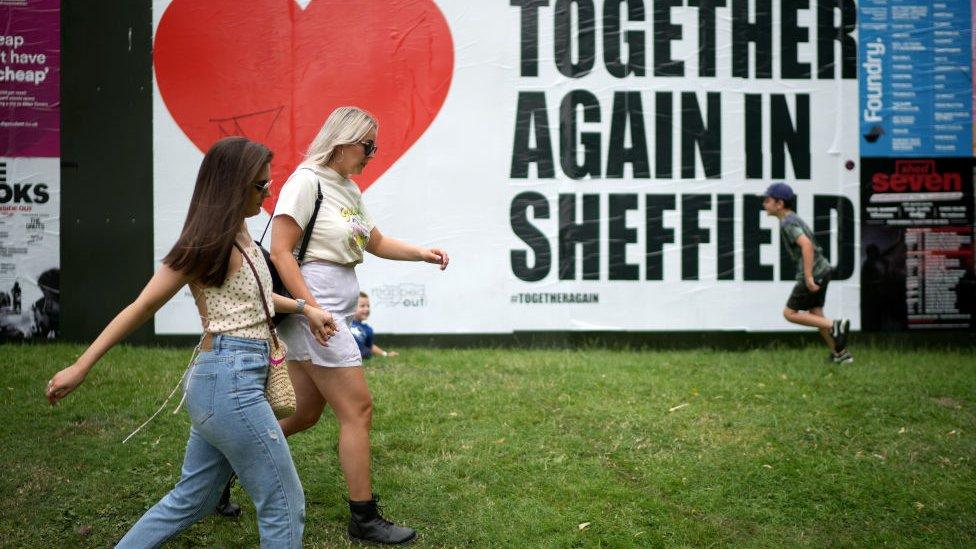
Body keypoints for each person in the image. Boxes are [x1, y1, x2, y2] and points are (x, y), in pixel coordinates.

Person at [45, 136, 338, 548]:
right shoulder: (202, 244)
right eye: (260, 186)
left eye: (268, 184)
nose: (267, 193)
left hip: (228, 384)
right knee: (284, 502)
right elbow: (142, 306)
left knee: (192, 500)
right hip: (229, 383)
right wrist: (81, 366)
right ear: (231, 186)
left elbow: (252, 296)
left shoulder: (240, 233)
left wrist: (305, 309)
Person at [270, 106, 448, 544]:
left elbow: (376, 242)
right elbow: (280, 251)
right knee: (358, 409)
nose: (373, 153)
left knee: (304, 413)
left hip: (326, 315)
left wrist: (422, 253)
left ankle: (223, 467)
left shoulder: (347, 188)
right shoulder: (306, 181)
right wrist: (310, 309)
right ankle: (363, 517)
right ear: (343, 140)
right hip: (318, 315)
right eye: (368, 145)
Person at [762, 182, 852, 363]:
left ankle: (835, 325)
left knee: (790, 313)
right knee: (816, 312)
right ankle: (840, 355)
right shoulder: (791, 218)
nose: (764, 203)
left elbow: (807, 245)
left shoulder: (787, 223)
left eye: (767, 200)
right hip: (824, 269)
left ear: (779, 204)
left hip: (815, 272)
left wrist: (809, 276)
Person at [351, 291, 398, 360]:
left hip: (359, 355)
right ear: (350, 307)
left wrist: (385, 354)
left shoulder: (368, 329)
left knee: (367, 352)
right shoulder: (344, 323)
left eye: (368, 306)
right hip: (343, 353)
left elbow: (370, 346)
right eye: (362, 306)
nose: (367, 309)